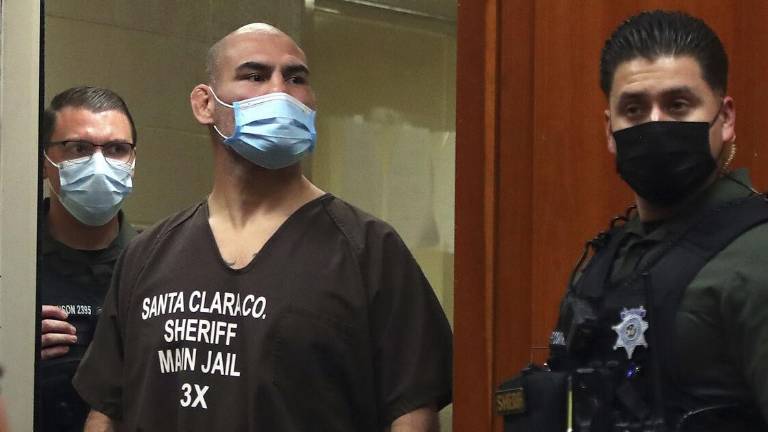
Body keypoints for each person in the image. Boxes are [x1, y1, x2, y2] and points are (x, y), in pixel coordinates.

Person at [74, 23, 452, 432]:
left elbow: (412, 413)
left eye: (296, 78)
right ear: (205, 104)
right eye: (255, 76)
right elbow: (105, 411)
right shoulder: (149, 254)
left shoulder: (369, 250)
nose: (280, 92)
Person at [38, 86, 138, 432]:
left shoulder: (158, 265)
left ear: (133, 161)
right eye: (78, 148)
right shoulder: (12, 261)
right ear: (44, 160)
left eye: (116, 149)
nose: (99, 165)